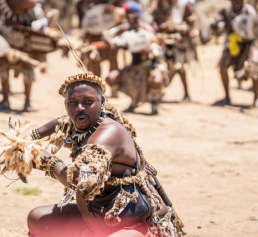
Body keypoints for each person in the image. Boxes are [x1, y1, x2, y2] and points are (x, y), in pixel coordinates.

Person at [25, 73, 184, 237]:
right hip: (98, 217)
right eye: (72, 103)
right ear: (65, 105)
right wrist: (23, 141)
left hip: (136, 223)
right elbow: (51, 126)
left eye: (88, 101)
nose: (80, 108)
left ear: (102, 103)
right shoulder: (78, 122)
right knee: (38, 219)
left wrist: (47, 162)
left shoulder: (108, 132)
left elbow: (81, 179)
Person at [0, 0, 48, 111]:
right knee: (2, 64)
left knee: (26, 66)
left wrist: (38, 25)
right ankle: (5, 100)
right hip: (5, 37)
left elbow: (38, 16)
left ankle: (27, 102)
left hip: (23, 38)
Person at [105, 1, 166, 115]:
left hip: (150, 66)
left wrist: (148, 50)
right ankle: (135, 99)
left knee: (156, 81)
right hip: (134, 66)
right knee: (111, 78)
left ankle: (153, 102)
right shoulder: (124, 28)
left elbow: (155, 45)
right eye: (128, 13)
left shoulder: (146, 29)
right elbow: (106, 33)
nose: (130, 16)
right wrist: (111, 42)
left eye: (133, 13)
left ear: (138, 13)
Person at [211, 0, 258, 107]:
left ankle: (256, 98)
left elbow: (255, 27)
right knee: (223, 67)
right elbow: (215, 24)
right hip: (232, 44)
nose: (237, 0)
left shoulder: (249, 11)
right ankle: (227, 97)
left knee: (254, 66)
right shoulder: (225, 11)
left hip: (249, 43)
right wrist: (216, 24)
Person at [76, 0, 129, 76]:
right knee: (94, 58)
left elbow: (126, 12)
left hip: (112, 33)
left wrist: (116, 14)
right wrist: (82, 21)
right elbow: (78, 3)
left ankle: (112, 84)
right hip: (93, 32)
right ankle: (97, 85)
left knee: (112, 58)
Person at [152, 0, 197, 102]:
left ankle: (186, 93)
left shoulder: (183, 1)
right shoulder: (160, 2)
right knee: (162, 65)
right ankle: (161, 88)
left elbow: (191, 21)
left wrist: (179, 27)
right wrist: (159, 27)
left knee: (179, 66)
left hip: (180, 39)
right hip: (163, 39)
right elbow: (155, 19)